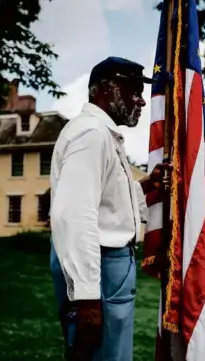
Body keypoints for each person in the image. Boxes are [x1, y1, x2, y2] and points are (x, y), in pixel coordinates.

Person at [49, 56, 168, 361]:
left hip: (105, 265)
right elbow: (75, 215)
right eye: (132, 91)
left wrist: (144, 187)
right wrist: (87, 297)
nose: (141, 101)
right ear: (104, 89)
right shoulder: (91, 134)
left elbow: (104, 203)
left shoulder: (99, 133)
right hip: (99, 267)